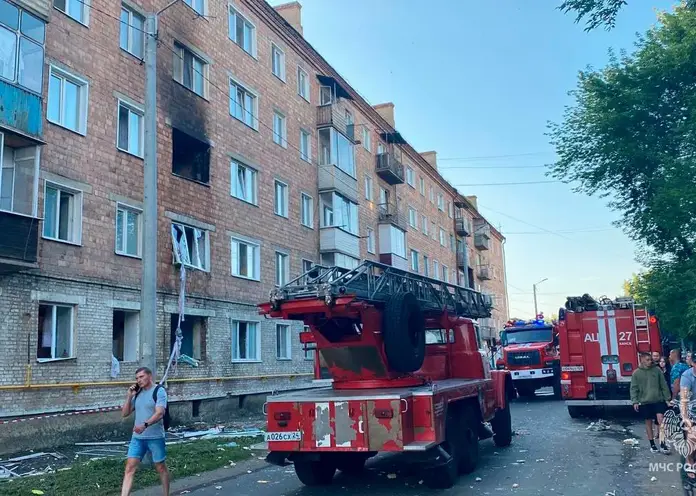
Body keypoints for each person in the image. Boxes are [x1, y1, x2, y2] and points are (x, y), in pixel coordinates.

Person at [120, 367, 170, 496]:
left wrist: (145, 425)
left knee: (160, 467)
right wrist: (129, 396)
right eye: (137, 378)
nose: (139, 380)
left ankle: (166, 493)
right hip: (137, 438)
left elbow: (160, 413)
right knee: (129, 468)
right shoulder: (138, 393)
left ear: (150, 376)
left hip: (155, 436)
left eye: (141, 377)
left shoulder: (159, 391)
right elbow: (125, 413)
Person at [630, 352, 671, 454]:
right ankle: (652, 444)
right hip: (645, 401)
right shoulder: (636, 373)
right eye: (647, 360)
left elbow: (663, 384)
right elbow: (633, 388)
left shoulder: (657, 370)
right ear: (642, 360)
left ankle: (662, 443)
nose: (650, 361)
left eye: (650, 359)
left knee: (661, 421)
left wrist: (668, 398)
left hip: (658, 400)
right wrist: (635, 401)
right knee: (648, 423)